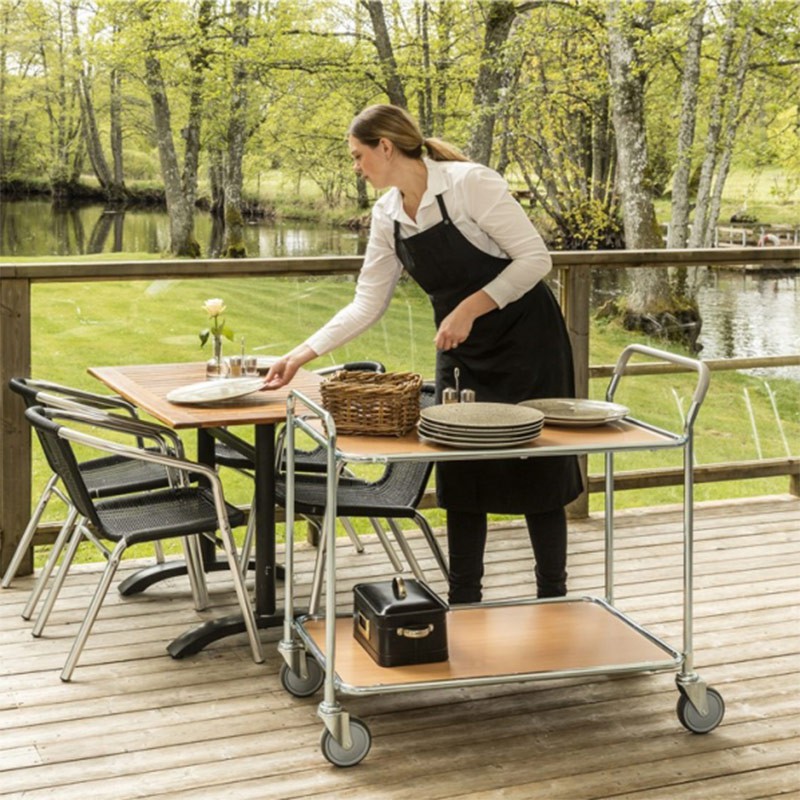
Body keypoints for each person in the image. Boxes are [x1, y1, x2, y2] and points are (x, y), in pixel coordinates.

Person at [265, 103, 582, 603]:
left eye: (357, 155)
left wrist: (469, 309)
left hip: (527, 343)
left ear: (385, 147)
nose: (355, 167)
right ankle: (464, 600)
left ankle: (554, 597)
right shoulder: (387, 214)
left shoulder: (469, 183)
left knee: (535, 467)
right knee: (462, 473)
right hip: (462, 351)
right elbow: (367, 302)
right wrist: (300, 354)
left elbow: (535, 259)